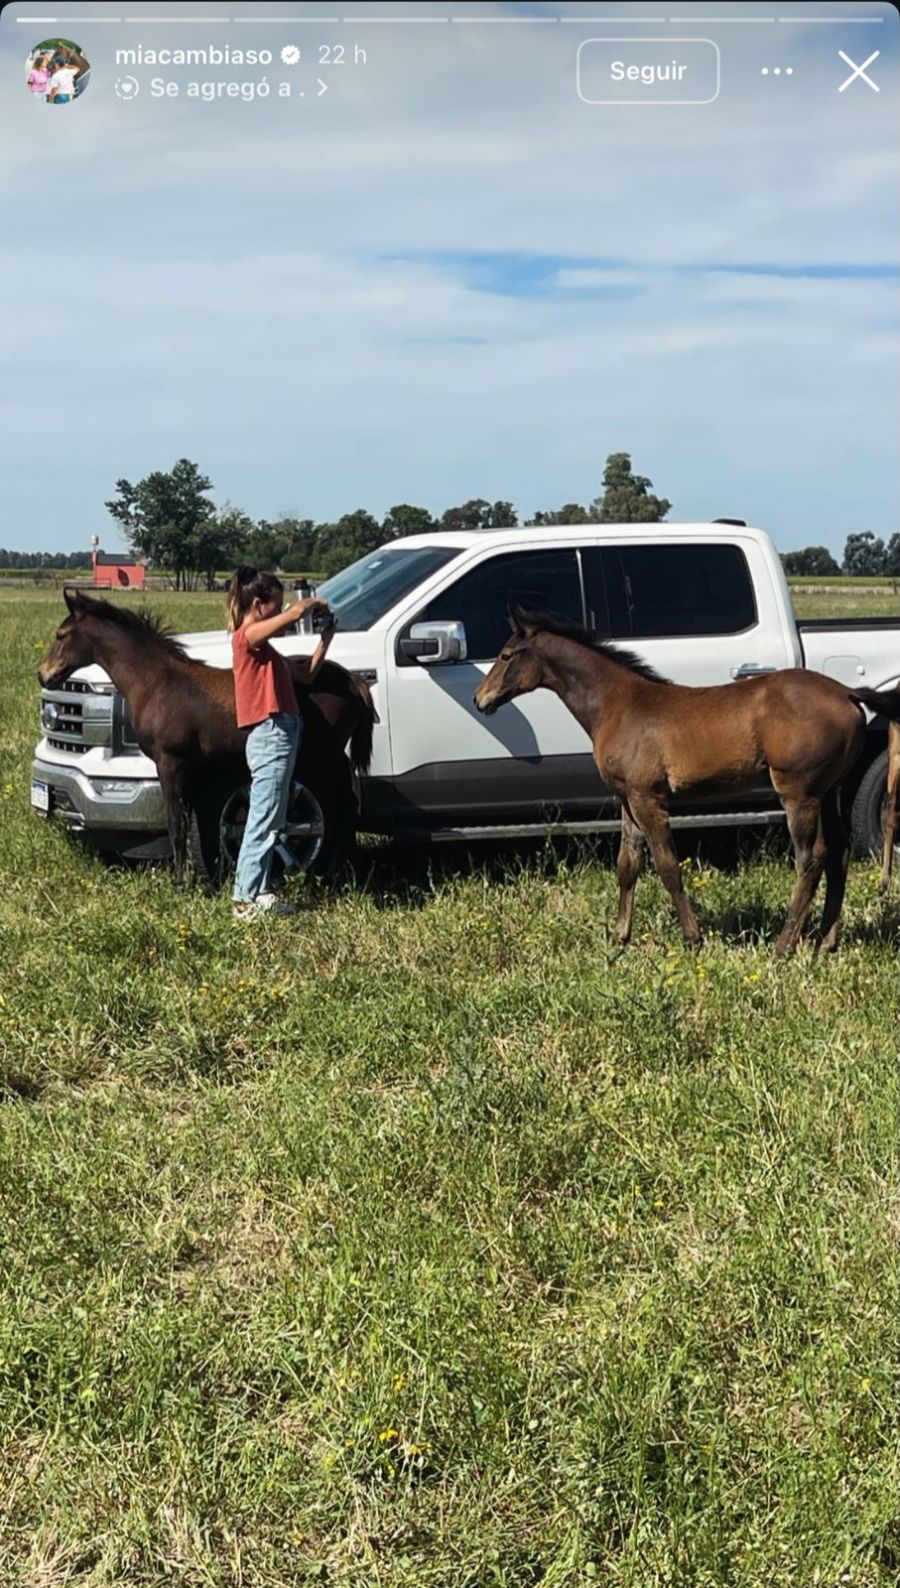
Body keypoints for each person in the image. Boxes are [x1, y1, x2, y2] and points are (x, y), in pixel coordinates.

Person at [227, 566, 334, 921]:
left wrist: (325, 640)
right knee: (264, 817)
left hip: (282, 733)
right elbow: (259, 631)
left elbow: (306, 674)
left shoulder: (267, 653)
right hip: (270, 733)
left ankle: (258, 892)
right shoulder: (246, 638)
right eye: (276, 604)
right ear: (259, 605)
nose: (282, 610)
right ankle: (245, 898)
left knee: (271, 816)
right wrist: (302, 607)